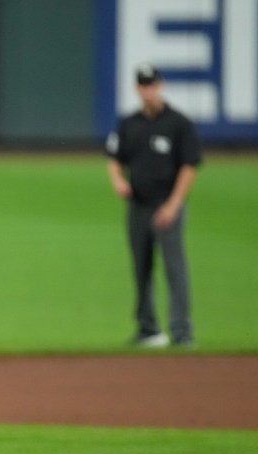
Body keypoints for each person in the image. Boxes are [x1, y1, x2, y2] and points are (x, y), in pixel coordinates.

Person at [106, 63, 202, 348]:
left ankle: (182, 332)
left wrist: (174, 205)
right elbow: (114, 156)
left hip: (167, 206)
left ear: (160, 86)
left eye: (152, 84)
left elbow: (189, 166)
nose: (147, 89)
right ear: (137, 88)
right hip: (138, 206)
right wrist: (116, 180)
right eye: (142, 84)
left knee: (175, 270)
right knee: (141, 269)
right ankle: (148, 329)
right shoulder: (129, 123)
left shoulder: (178, 123)